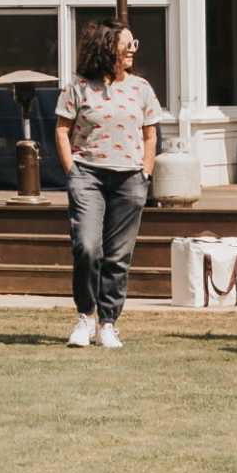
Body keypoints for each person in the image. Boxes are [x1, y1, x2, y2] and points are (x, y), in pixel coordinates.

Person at [54, 18, 162, 351]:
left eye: (134, 44)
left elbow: (150, 133)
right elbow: (61, 130)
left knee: (118, 256)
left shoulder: (141, 88)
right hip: (88, 176)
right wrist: (72, 170)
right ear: (107, 47)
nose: (132, 49)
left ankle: (108, 323)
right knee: (87, 247)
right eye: (126, 44)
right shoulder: (78, 87)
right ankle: (85, 317)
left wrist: (145, 171)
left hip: (130, 179)